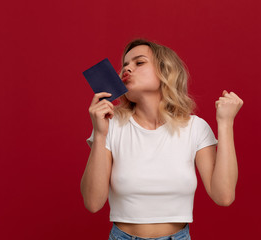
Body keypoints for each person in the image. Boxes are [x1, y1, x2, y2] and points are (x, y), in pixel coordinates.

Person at [80, 39, 243, 240]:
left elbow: (224, 196)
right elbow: (93, 203)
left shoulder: (195, 128)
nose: (127, 68)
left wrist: (225, 123)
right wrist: (99, 134)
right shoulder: (111, 125)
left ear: (165, 71)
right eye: (125, 64)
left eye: (139, 63)